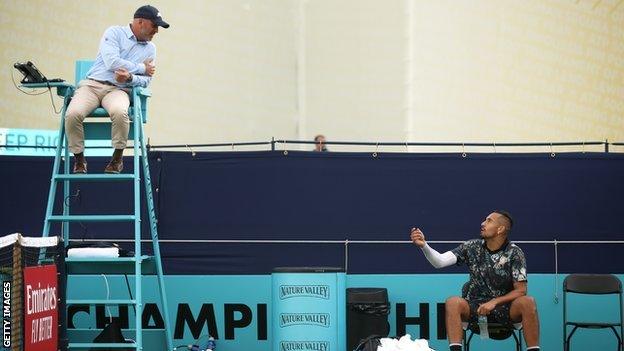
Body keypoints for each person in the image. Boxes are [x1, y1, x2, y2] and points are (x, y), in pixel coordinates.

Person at [410, 211, 540, 351]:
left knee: (528, 302)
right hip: (475, 307)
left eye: (489, 221)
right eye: (484, 220)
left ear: (500, 229)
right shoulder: (472, 246)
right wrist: (424, 245)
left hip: (506, 308)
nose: (483, 223)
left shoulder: (515, 253)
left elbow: (521, 290)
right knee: (453, 302)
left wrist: (494, 302)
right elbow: (439, 262)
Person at [65, 5, 169, 174]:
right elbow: (112, 62)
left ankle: (117, 159)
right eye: (154, 25)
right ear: (140, 22)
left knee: (121, 113)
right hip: (92, 85)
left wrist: (129, 77)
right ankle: (79, 159)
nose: (156, 30)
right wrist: (142, 68)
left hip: (119, 90)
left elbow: (146, 81)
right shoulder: (114, 32)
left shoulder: (151, 49)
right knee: (72, 114)